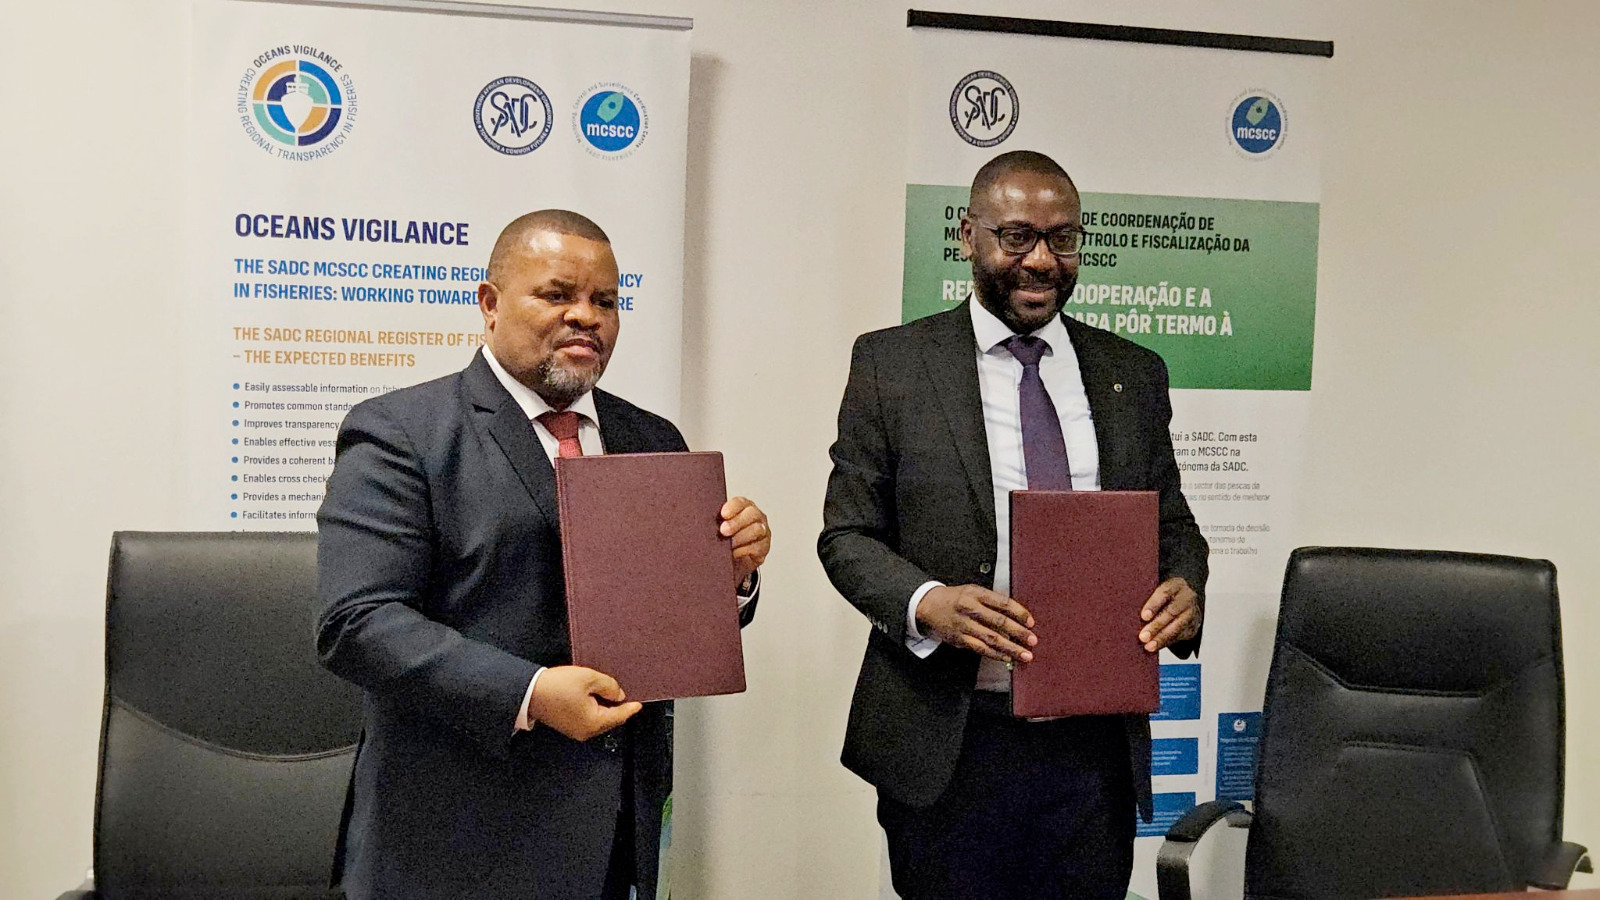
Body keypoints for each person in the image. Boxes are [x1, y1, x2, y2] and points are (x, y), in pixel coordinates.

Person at [316, 209, 771, 900]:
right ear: (490, 304)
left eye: (605, 301)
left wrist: (727, 577)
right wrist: (530, 694)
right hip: (453, 842)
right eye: (557, 295)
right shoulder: (401, 432)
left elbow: (667, 623)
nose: (585, 316)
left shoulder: (652, 437)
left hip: (615, 835)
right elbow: (356, 622)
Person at [818, 150, 1208, 899]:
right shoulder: (892, 365)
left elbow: (1174, 524)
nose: (1042, 260)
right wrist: (929, 602)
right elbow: (847, 536)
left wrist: (1185, 585)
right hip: (951, 739)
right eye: (1017, 236)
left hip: (1092, 752)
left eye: (1063, 238)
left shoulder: (1133, 372)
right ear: (968, 236)